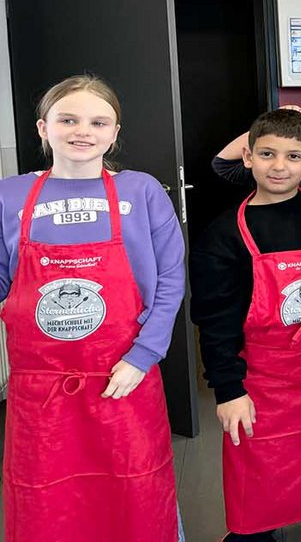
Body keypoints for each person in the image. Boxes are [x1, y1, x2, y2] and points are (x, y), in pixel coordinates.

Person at [0, 75, 185, 541]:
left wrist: (143, 356)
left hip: (124, 376)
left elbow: (170, 281)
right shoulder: (10, 196)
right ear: (43, 127)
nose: (83, 130)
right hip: (41, 386)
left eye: (98, 121)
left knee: (138, 492)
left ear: (114, 132)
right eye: (68, 119)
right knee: (47, 499)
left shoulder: (141, 192)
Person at [190, 109, 301, 541]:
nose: (279, 166)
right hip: (262, 382)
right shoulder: (224, 233)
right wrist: (228, 390)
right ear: (247, 157)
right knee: (257, 475)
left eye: (292, 155)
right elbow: (214, 320)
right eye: (266, 154)